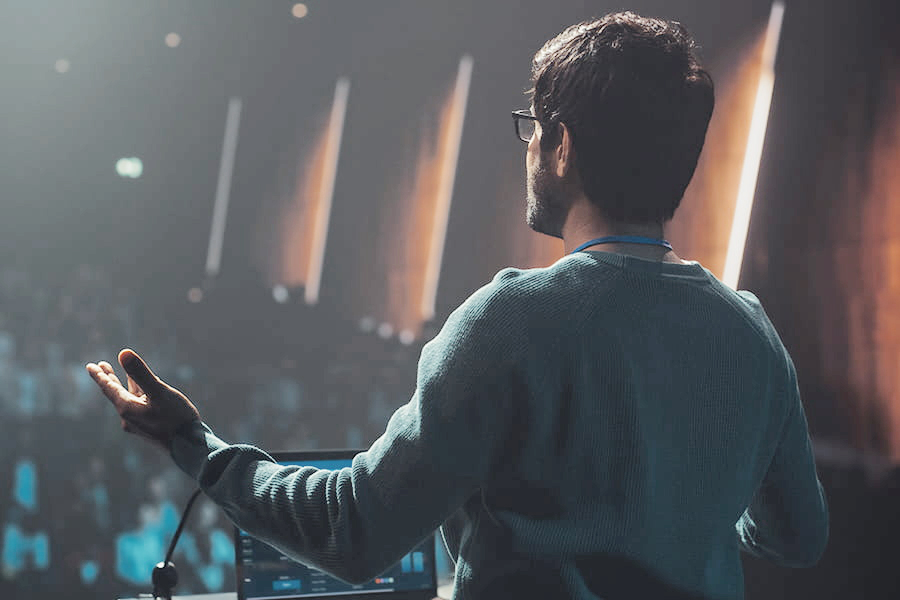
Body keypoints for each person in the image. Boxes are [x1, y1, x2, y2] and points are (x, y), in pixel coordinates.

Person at [87, 11, 828, 600]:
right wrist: (679, 509)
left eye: (532, 128)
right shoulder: (750, 331)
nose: (529, 149)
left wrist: (198, 447)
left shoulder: (511, 320)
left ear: (560, 145)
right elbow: (798, 537)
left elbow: (354, 531)